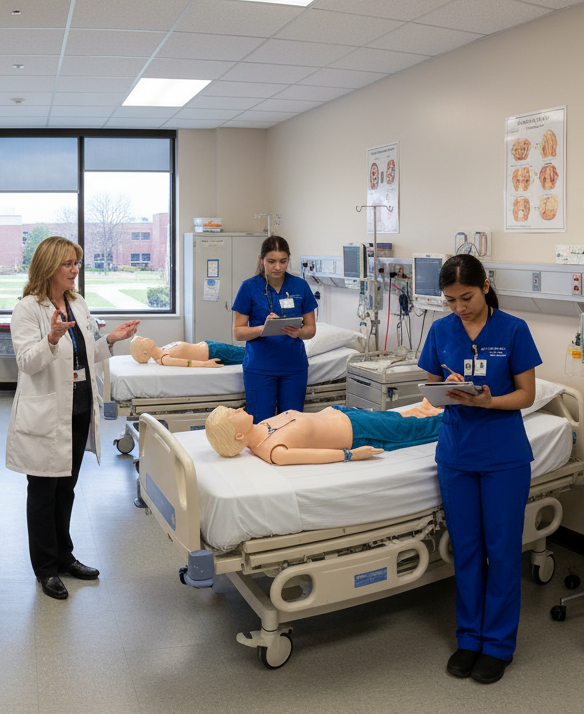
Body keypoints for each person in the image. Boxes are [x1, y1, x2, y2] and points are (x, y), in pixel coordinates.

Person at [417, 254, 540, 685]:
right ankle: (469, 638)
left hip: (504, 455)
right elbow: (430, 391)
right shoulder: (441, 330)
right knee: (466, 550)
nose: (459, 307)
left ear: (485, 287)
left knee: (502, 552)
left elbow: (526, 395)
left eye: (466, 297)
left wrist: (489, 401)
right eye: (450, 300)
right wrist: (447, 388)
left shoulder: (513, 329)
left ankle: (498, 644)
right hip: (456, 454)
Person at [5, 236, 139, 600]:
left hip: (78, 407)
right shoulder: (27, 309)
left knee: (66, 488)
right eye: (68, 263)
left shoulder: (77, 303)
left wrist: (110, 340)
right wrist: (50, 339)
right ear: (49, 267)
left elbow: (86, 353)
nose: (75, 269)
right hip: (46, 412)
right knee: (43, 492)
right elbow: (26, 363)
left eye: (76, 263)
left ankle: (64, 556)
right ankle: (46, 568)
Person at [233, 235, 318, 423]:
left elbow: (311, 329)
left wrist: (299, 332)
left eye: (283, 261)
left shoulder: (300, 286)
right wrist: (263, 328)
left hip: (294, 368)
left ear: (288, 259)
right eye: (271, 261)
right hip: (259, 368)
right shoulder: (249, 287)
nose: (277, 267)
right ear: (261, 260)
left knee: (292, 425)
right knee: (262, 426)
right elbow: (238, 332)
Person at [204, 402, 443, 463]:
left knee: (398, 417)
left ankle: (428, 410)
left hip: (344, 414)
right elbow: (317, 456)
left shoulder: (261, 425)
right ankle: (454, 418)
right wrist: (353, 455)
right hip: (358, 432)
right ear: (238, 435)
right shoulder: (274, 451)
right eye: (233, 413)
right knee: (415, 430)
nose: (238, 409)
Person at [129, 336, 244, 368]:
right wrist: (205, 364)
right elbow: (188, 363)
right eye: (143, 340)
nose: (146, 338)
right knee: (246, 354)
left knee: (244, 351)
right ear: (145, 352)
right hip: (213, 353)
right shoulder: (164, 358)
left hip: (211, 345)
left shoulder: (163, 348)